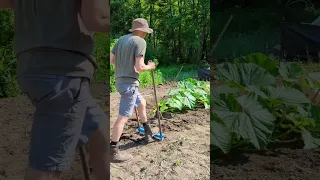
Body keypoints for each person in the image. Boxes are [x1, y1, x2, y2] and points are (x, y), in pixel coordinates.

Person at [0, 0, 110, 180]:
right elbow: (96, 19)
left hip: (32, 69)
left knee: (98, 129)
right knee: (47, 169)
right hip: (63, 74)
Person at [110, 18, 156, 163]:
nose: (146, 35)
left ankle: (146, 129)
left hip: (119, 81)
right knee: (123, 117)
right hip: (129, 84)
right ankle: (113, 150)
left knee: (141, 102)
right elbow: (139, 67)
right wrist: (151, 66)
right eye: (146, 32)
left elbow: (112, 60)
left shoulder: (121, 40)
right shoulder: (140, 42)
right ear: (142, 31)